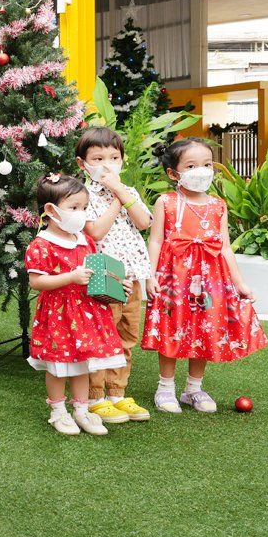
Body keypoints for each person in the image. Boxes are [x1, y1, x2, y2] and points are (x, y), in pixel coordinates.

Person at [142, 138, 266, 413]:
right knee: (172, 328)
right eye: (192, 165)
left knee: (204, 328)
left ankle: (193, 389)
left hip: (211, 278)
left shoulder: (218, 205)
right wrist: (149, 275)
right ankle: (165, 388)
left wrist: (240, 283)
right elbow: (155, 241)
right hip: (174, 276)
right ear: (173, 173)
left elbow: (224, 246)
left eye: (207, 164)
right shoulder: (167, 202)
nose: (202, 170)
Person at [25, 174, 131, 436]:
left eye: (84, 207)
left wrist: (117, 285)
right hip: (60, 313)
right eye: (74, 208)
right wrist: (70, 278)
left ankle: (81, 409)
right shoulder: (42, 244)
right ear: (51, 210)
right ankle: (58, 411)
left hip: (87, 312)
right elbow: (36, 282)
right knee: (59, 365)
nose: (81, 214)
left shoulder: (85, 240)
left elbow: (96, 272)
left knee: (83, 363)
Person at [76, 127, 153, 423]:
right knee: (101, 336)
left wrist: (121, 192)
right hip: (103, 276)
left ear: (123, 160)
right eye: (98, 158)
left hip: (131, 277)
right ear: (82, 164)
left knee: (126, 336)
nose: (107, 164)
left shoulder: (128, 191)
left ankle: (117, 393)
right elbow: (95, 230)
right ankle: (95, 396)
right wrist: (116, 199)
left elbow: (144, 222)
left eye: (114, 157)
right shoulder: (82, 195)